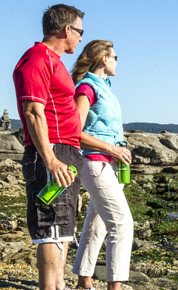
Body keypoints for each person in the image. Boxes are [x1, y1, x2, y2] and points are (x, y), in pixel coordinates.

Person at [12, 4, 85, 290]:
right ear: (66, 29)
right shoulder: (38, 58)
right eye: (79, 32)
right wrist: (51, 159)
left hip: (64, 150)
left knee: (64, 226)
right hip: (51, 152)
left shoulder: (53, 61)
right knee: (51, 227)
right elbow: (32, 111)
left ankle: (58, 285)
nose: (80, 39)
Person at [70, 40, 133, 290]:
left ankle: (84, 281)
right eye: (115, 57)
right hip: (94, 163)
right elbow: (75, 131)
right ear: (104, 59)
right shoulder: (87, 87)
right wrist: (111, 148)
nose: (117, 61)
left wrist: (119, 149)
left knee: (96, 223)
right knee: (122, 223)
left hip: (110, 164)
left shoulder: (106, 87)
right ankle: (114, 287)